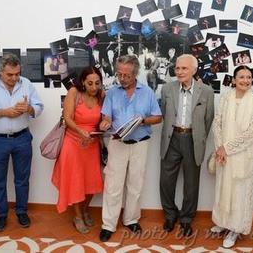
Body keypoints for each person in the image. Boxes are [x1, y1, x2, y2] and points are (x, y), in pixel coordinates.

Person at [0, 53, 44, 232]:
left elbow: (39, 107)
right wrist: (4, 112)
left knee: (22, 179)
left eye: (17, 74)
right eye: (9, 75)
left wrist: (28, 108)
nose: (14, 78)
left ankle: (21, 212)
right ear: (0, 72)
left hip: (22, 138)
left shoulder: (26, 84)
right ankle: (1, 215)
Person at [98, 55, 162, 242]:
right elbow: (106, 117)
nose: (122, 78)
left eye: (126, 75)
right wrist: (105, 122)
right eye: (119, 74)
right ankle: (108, 224)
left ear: (135, 74)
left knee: (135, 185)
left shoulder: (147, 92)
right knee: (113, 186)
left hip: (140, 143)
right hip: (117, 143)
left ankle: (131, 219)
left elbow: (158, 117)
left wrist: (143, 120)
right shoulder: (111, 92)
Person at [159, 54, 214, 237]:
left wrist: (198, 136)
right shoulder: (167, 89)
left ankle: (186, 219)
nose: (180, 71)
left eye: (184, 68)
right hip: (172, 138)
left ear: (194, 70)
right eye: (177, 68)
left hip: (192, 139)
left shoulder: (206, 91)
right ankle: (170, 215)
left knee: (191, 184)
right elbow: (165, 115)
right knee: (166, 181)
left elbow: (208, 119)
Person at [210, 65, 253, 248]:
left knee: (239, 193)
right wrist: (219, 149)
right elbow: (217, 124)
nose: (246, 80)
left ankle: (235, 228)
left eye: (249, 77)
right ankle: (223, 222)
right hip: (224, 155)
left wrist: (227, 148)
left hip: (243, 156)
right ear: (233, 80)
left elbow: (251, 134)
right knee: (223, 189)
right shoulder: (226, 97)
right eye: (241, 77)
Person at [52, 67, 105, 234]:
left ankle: (84, 210)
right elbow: (67, 118)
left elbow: (105, 117)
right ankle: (77, 216)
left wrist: (105, 124)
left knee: (92, 181)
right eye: (90, 83)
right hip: (73, 143)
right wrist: (81, 131)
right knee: (76, 182)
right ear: (83, 81)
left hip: (92, 143)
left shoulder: (101, 95)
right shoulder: (74, 92)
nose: (94, 87)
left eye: (97, 83)